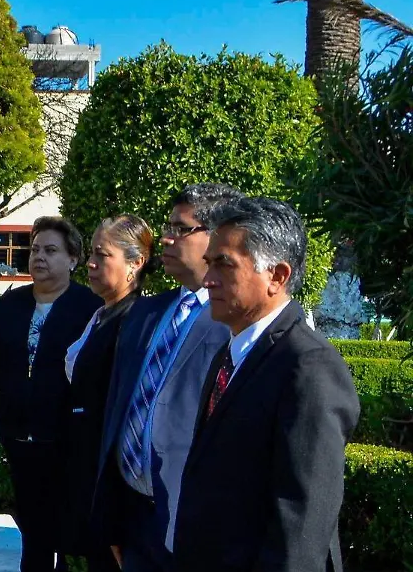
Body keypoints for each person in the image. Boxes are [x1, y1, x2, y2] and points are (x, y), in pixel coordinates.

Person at [173, 198, 359, 572]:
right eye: (209, 263)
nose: (208, 279)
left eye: (224, 264)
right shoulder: (231, 352)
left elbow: (301, 523)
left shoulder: (309, 367)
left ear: (277, 276)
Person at [93, 183, 241, 572]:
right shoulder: (145, 314)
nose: (167, 238)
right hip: (135, 518)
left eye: (181, 229)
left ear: (216, 236)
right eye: (168, 227)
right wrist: (112, 517)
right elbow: (117, 412)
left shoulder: (234, 325)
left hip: (192, 524)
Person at [0, 216, 103, 572]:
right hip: (18, 434)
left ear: (72, 259)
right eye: (35, 250)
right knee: (32, 526)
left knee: (65, 525)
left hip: (67, 437)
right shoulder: (12, 303)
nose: (39, 257)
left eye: (50, 250)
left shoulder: (90, 306)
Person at [61, 215, 154, 572]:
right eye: (91, 254)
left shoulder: (134, 323)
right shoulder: (101, 315)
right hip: (86, 476)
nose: (91, 263)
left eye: (102, 255)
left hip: (112, 484)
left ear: (135, 263)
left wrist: (111, 508)